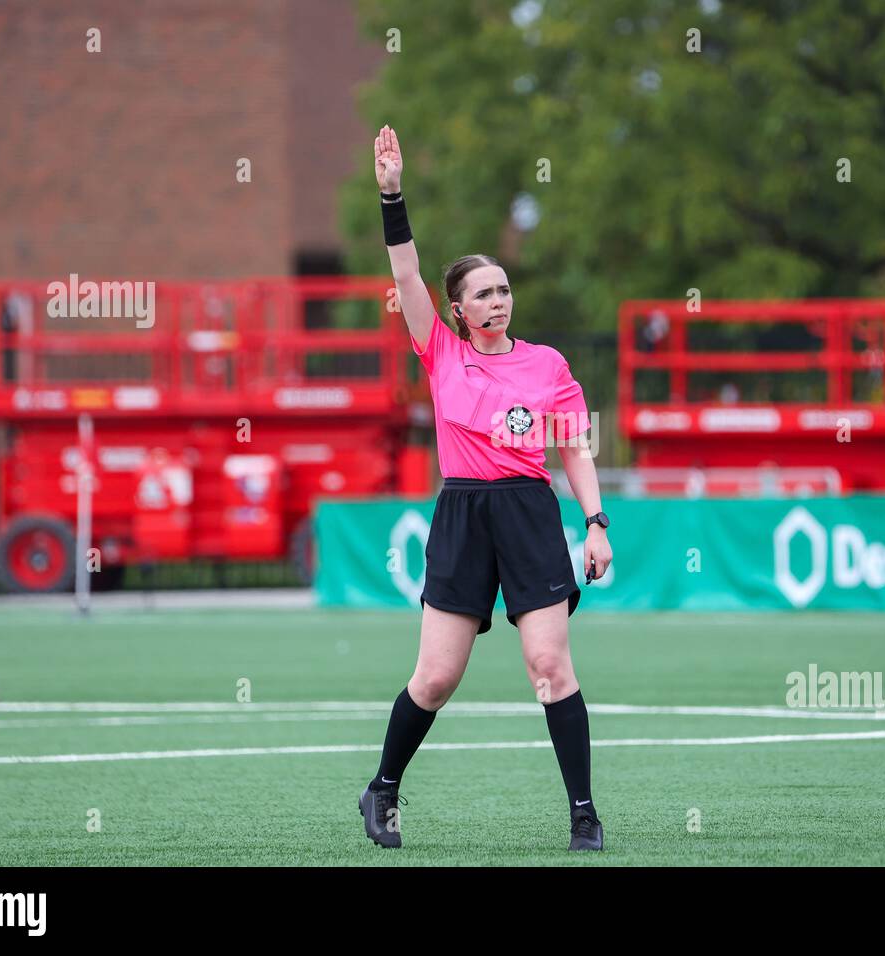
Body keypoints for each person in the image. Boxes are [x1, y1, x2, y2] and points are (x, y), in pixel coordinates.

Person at [359, 125, 613, 852]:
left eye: (504, 289)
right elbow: (406, 276)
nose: (498, 301)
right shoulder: (439, 352)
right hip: (464, 512)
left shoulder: (547, 364)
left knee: (550, 666)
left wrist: (596, 523)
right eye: (482, 294)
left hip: (530, 512)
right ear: (458, 311)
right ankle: (381, 790)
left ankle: (584, 814)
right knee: (435, 678)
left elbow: (573, 446)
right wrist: (391, 196)